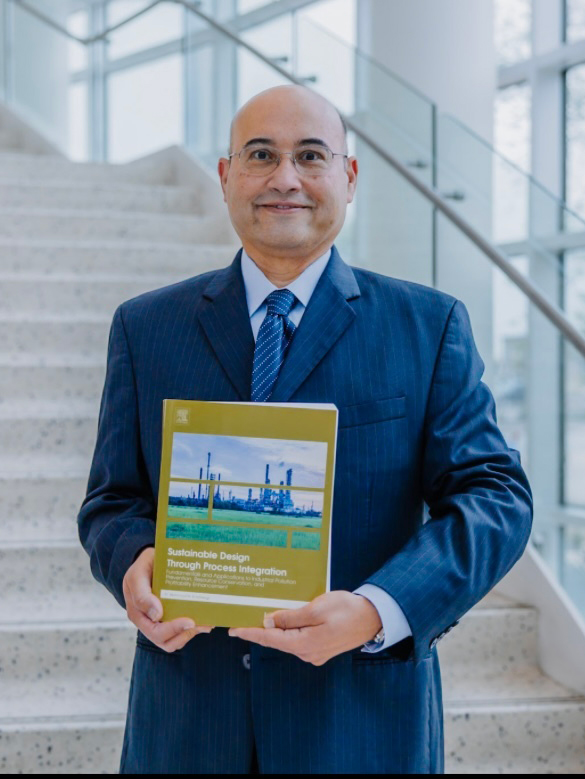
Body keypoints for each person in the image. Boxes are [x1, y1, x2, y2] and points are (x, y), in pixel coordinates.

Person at [78, 85, 533, 774]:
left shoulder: (426, 326)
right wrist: (133, 561)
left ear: (346, 178)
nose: (284, 178)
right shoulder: (146, 328)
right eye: (261, 155)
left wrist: (378, 609)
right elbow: (112, 500)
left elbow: (495, 497)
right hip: (189, 720)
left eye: (310, 156)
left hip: (357, 722)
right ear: (227, 175)